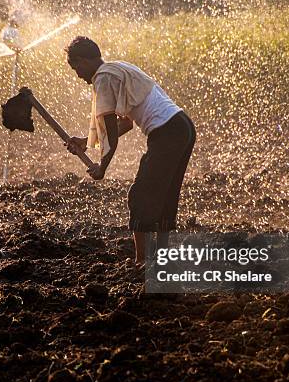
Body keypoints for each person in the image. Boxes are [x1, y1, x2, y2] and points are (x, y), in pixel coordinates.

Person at [64, 36, 196, 267]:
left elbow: (112, 136)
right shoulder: (118, 67)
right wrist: (87, 141)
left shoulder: (102, 78)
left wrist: (101, 167)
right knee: (165, 195)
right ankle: (161, 259)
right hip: (182, 126)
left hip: (166, 132)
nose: (78, 75)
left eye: (76, 67)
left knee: (140, 196)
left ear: (84, 61)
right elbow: (125, 123)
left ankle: (142, 261)